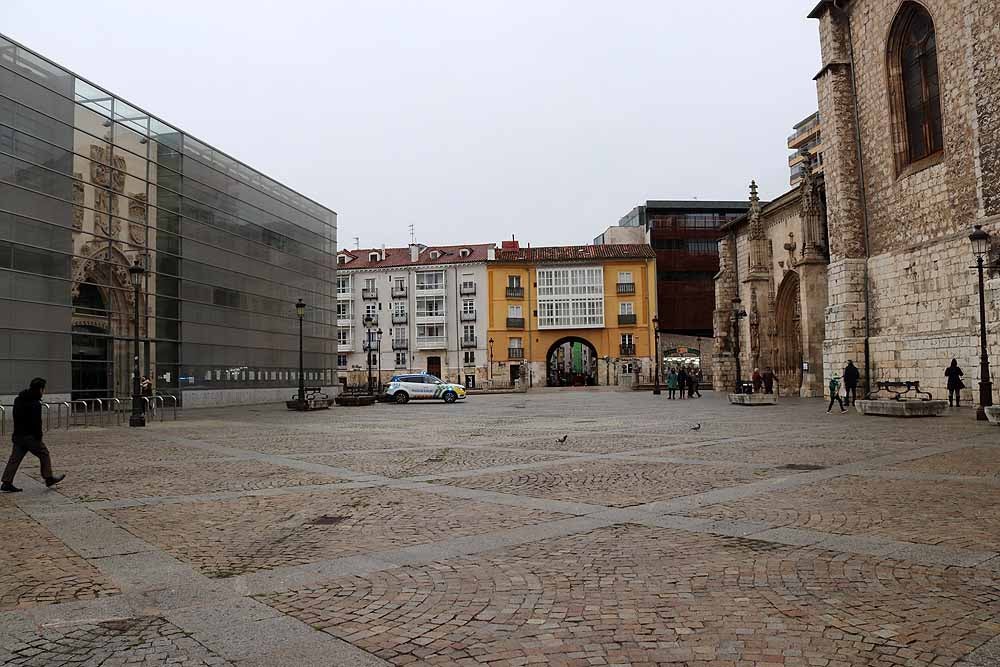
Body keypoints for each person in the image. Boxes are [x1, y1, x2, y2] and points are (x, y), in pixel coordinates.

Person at [2, 378, 65, 493]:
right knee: (44, 453)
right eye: (43, 389)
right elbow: (36, 422)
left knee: (15, 458)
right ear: (40, 389)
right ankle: (49, 478)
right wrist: (39, 437)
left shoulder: (18, 399)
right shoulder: (35, 403)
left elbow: (15, 417)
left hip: (18, 435)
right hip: (30, 436)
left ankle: (7, 481)